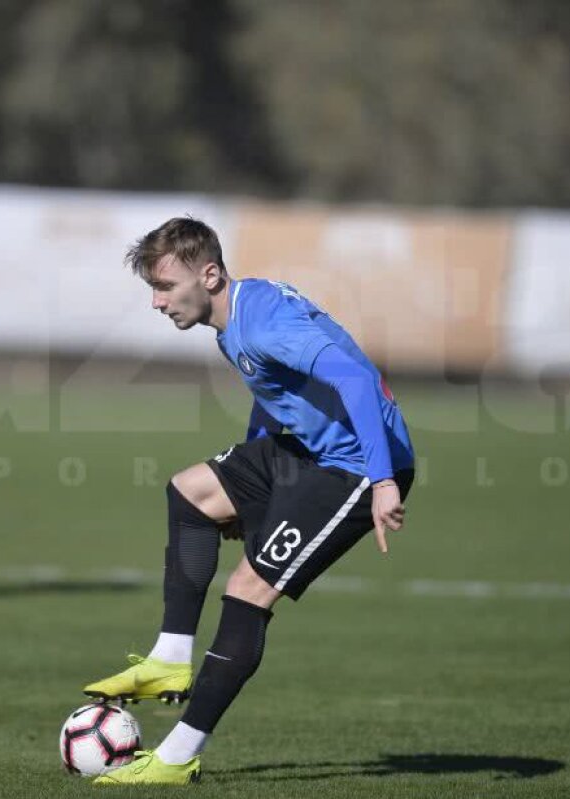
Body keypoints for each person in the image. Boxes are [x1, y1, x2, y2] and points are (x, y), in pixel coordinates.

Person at [83, 218, 416, 785]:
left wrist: (383, 482)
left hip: (357, 467)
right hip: (306, 453)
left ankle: (176, 757)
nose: (157, 303)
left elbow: (356, 380)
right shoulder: (236, 316)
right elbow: (277, 395)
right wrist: (251, 486)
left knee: (247, 591)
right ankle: (168, 657)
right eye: (153, 290)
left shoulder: (262, 326)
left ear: (208, 275)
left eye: (165, 287)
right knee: (190, 492)